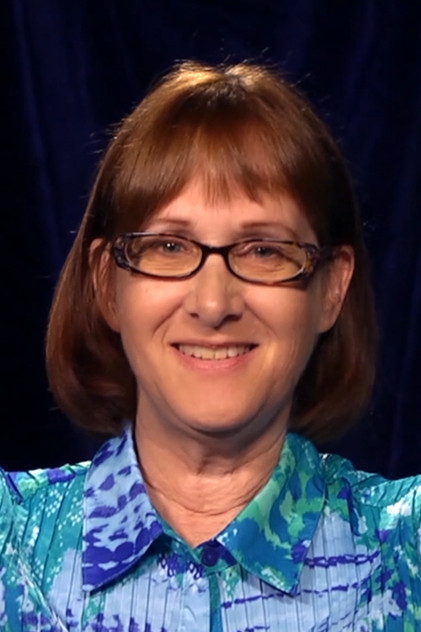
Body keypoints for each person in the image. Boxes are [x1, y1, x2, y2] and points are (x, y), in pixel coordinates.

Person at [0, 60, 420, 631]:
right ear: (107, 285)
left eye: (264, 250)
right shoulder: (11, 544)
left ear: (330, 289)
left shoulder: (407, 549)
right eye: (169, 247)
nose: (214, 303)